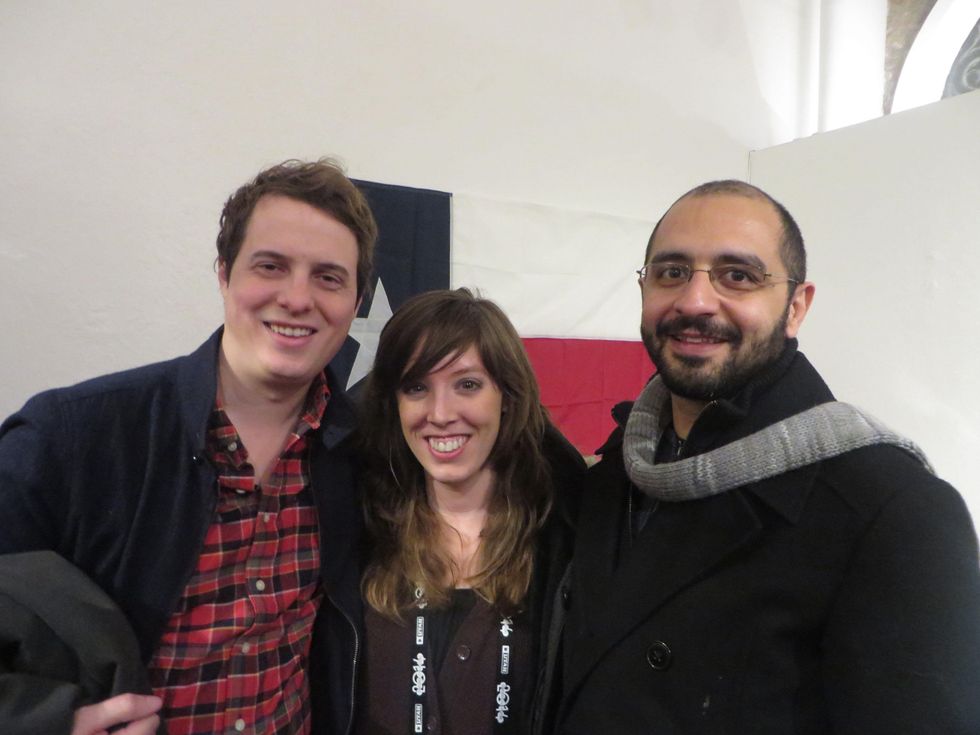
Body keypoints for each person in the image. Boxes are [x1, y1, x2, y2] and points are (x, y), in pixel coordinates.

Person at [556, 180, 980, 734]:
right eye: (671, 272)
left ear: (796, 307)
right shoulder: (617, 472)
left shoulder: (896, 511)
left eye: (738, 275)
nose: (695, 301)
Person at [0, 158, 376, 735]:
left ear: (356, 301)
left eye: (328, 277)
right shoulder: (71, 439)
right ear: (225, 274)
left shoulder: (361, 457)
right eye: (270, 266)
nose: (298, 299)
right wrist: (41, 723)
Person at [355, 288, 584, 735]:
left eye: (467, 384)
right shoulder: (359, 528)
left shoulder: (567, 540)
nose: (440, 414)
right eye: (417, 387)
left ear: (507, 397)